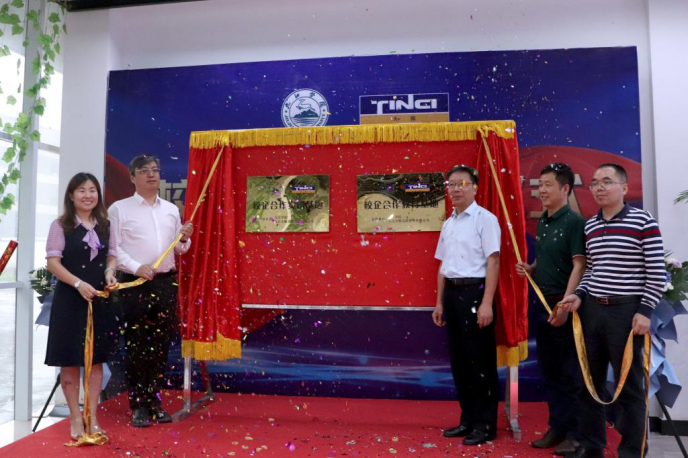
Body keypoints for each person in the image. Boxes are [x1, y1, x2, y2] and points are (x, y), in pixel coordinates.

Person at [559, 163, 665, 458]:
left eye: (607, 181)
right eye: (594, 183)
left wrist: (645, 311)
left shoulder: (643, 221)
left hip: (627, 313)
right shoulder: (591, 225)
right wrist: (579, 295)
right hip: (593, 311)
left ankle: (631, 451)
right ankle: (592, 445)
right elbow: (592, 270)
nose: (600, 187)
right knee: (588, 383)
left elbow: (656, 274)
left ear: (624, 188)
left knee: (629, 386)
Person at [108, 154, 193, 427]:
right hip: (135, 284)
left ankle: (154, 401)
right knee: (137, 344)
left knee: (160, 344)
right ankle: (138, 405)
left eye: (155, 170)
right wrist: (137, 267)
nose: (151, 175)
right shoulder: (119, 209)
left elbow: (179, 249)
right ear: (132, 177)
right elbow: (113, 249)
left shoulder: (170, 209)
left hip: (166, 283)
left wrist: (185, 238)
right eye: (144, 171)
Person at [515, 163, 585, 455]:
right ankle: (558, 426)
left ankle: (577, 434)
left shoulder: (575, 222)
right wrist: (531, 268)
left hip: (564, 306)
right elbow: (547, 259)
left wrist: (565, 305)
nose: (541, 191)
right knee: (550, 372)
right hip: (541, 304)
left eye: (547, 185)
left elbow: (580, 265)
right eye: (539, 185)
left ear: (565, 189)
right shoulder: (544, 220)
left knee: (571, 373)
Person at [432, 165, 501, 446]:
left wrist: (487, 303)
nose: (456, 189)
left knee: (480, 362)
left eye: (462, 183)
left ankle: (486, 425)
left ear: (474, 187)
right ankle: (468, 420)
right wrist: (439, 302)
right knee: (460, 362)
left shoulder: (486, 219)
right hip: (451, 294)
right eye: (451, 184)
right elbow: (442, 266)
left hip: (476, 293)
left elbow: (493, 262)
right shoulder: (448, 223)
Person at [45, 173, 117, 440]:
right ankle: (75, 418)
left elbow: (112, 256)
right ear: (71, 195)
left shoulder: (106, 225)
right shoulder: (60, 225)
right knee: (70, 360)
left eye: (92, 190)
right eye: (82, 191)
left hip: (97, 299)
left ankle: (92, 417)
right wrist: (77, 284)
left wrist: (110, 273)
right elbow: (53, 263)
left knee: (95, 361)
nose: (88, 195)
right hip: (69, 300)